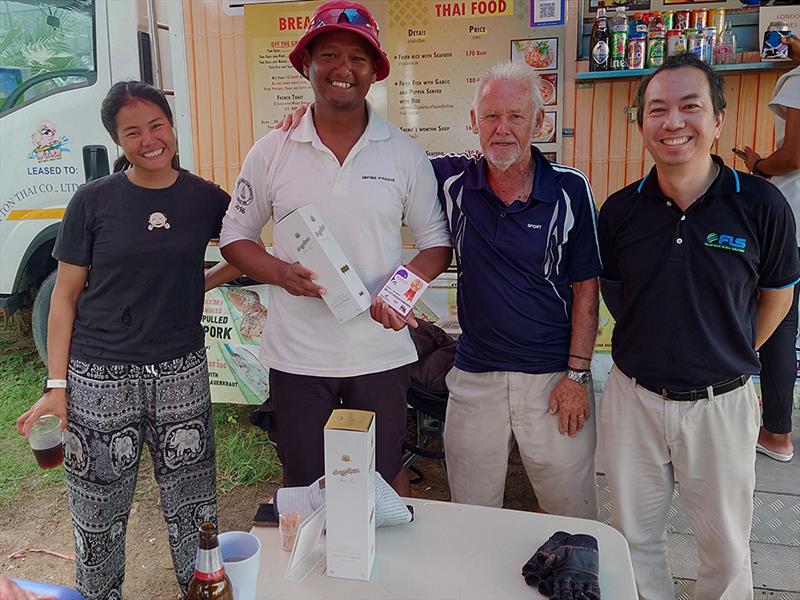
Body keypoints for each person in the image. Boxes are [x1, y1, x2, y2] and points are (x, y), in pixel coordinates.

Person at [16, 81, 240, 600]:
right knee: (98, 514)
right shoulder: (93, 201)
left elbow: (247, 244)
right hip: (99, 376)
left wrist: (202, 280)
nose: (149, 140)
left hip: (180, 372)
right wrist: (56, 384)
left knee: (194, 508)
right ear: (118, 142)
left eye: (156, 125)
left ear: (172, 126)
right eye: (132, 132)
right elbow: (65, 297)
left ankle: (202, 591)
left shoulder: (205, 197)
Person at [219, 0, 452, 496]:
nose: (342, 69)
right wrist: (280, 273)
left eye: (358, 58)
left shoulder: (404, 153)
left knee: (385, 476)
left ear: (373, 73)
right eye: (328, 54)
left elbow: (435, 244)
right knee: (306, 482)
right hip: (299, 358)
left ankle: (382, 574)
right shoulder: (271, 151)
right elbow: (236, 237)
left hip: (379, 354)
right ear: (307, 64)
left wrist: (400, 293)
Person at [598, 53, 799, 599]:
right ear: (642, 123)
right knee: (634, 537)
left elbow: (778, 296)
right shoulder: (619, 211)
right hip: (633, 399)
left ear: (718, 120)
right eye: (657, 109)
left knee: (728, 548)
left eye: (690, 107)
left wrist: (728, 350)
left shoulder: (761, 204)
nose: (673, 122)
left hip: (722, 403)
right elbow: (619, 296)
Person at [429, 61, 601, 517]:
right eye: (490, 116)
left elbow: (587, 288)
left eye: (516, 116)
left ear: (539, 123)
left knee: (570, 512)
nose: (501, 129)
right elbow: (379, 156)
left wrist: (577, 376)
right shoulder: (452, 181)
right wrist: (308, 117)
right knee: (472, 513)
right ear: (473, 123)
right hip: (474, 377)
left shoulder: (570, 189)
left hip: (552, 378)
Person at [737, 33, 800, 462]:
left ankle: (776, 432)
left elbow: (794, 155)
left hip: (794, 220)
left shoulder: (797, 81)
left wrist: (759, 164)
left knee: (779, 318)